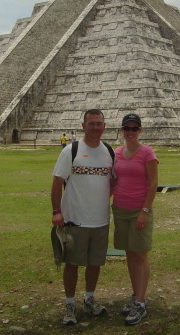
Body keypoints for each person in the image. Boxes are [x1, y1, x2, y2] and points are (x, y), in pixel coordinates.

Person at [51, 109, 114, 325]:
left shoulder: (109, 151)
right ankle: (70, 303)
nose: (95, 127)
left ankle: (89, 299)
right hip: (75, 218)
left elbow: (112, 181)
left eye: (99, 123)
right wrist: (56, 211)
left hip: (101, 219)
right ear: (83, 125)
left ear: (104, 126)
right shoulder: (71, 150)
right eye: (91, 123)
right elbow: (57, 182)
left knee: (95, 263)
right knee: (72, 263)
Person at [112, 113, 159, 325]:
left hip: (139, 211)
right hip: (120, 210)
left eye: (134, 129)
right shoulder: (117, 153)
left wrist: (145, 211)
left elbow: (153, 184)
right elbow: (113, 181)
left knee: (140, 254)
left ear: (140, 131)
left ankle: (140, 302)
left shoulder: (147, 153)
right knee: (130, 253)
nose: (130, 132)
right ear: (122, 130)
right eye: (127, 128)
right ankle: (135, 294)